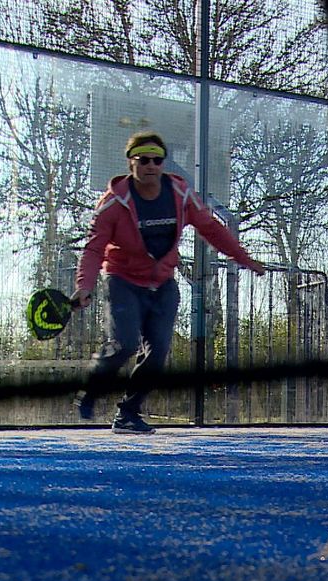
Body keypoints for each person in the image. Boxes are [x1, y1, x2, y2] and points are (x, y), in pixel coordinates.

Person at [72, 131, 265, 434]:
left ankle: (128, 414)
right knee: (124, 345)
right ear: (131, 163)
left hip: (162, 284)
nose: (151, 165)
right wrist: (84, 286)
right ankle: (92, 387)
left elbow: (212, 229)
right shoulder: (113, 203)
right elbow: (94, 248)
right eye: (143, 160)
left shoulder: (180, 194)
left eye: (157, 160)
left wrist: (244, 258)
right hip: (121, 280)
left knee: (158, 352)